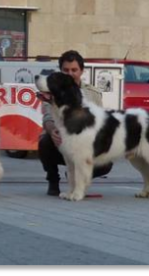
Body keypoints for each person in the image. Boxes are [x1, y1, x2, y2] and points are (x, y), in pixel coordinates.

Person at [38, 50, 113, 196]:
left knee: (107, 162)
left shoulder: (93, 93)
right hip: (61, 141)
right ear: (60, 70)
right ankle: (53, 181)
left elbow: (99, 122)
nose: (70, 74)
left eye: (74, 70)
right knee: (45, 142)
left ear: (82, 71)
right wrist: (53, 130)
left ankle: (79, 180)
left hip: (85, 145)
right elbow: (47, 117)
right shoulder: (52, 91)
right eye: (66, 70)